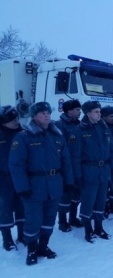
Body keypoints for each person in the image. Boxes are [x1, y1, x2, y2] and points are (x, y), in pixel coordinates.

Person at [9, 102, 74, 265]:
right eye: (42, 113)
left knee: (49, 218)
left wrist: (69, 182)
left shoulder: (57, 135)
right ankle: (32, 250)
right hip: (34, 185)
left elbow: (66, 161)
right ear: (34, 116)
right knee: (33, 219)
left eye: (48, 112)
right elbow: (16, 164)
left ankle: (43, 246)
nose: (47, 115)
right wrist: (22, 187)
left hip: (54, 184)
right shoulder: (23, 137)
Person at [70, 101, 113, 243]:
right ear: (88, 113)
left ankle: (99, 227)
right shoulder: (80, 130)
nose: (99, 114)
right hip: (88, 171)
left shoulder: (104, 128)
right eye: (96, 111)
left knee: (101, 201)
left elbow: (112, 150)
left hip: (104, 171)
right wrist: (77, 176)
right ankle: (87, 229)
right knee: (88, 201)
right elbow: (75, 156)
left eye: (99, 111)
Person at [55, 99, 82, 232]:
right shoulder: (60, 125)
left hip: (79, 165)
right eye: (77, 109)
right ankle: (62, 221)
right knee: (65, 194)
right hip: (66, 165)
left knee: (77, 192)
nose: (80, 111)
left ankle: (73, 217)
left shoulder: (79, 124)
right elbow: (58, 147)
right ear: (69, 111)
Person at [0, 105, 24, 251]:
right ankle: (7, 238)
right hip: (3, 178)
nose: (16, 121)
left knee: (22, 205)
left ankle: (22, 235)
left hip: (21, 177)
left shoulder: (23, 133)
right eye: (12, 119)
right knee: (5, 208)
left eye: (17, 118)